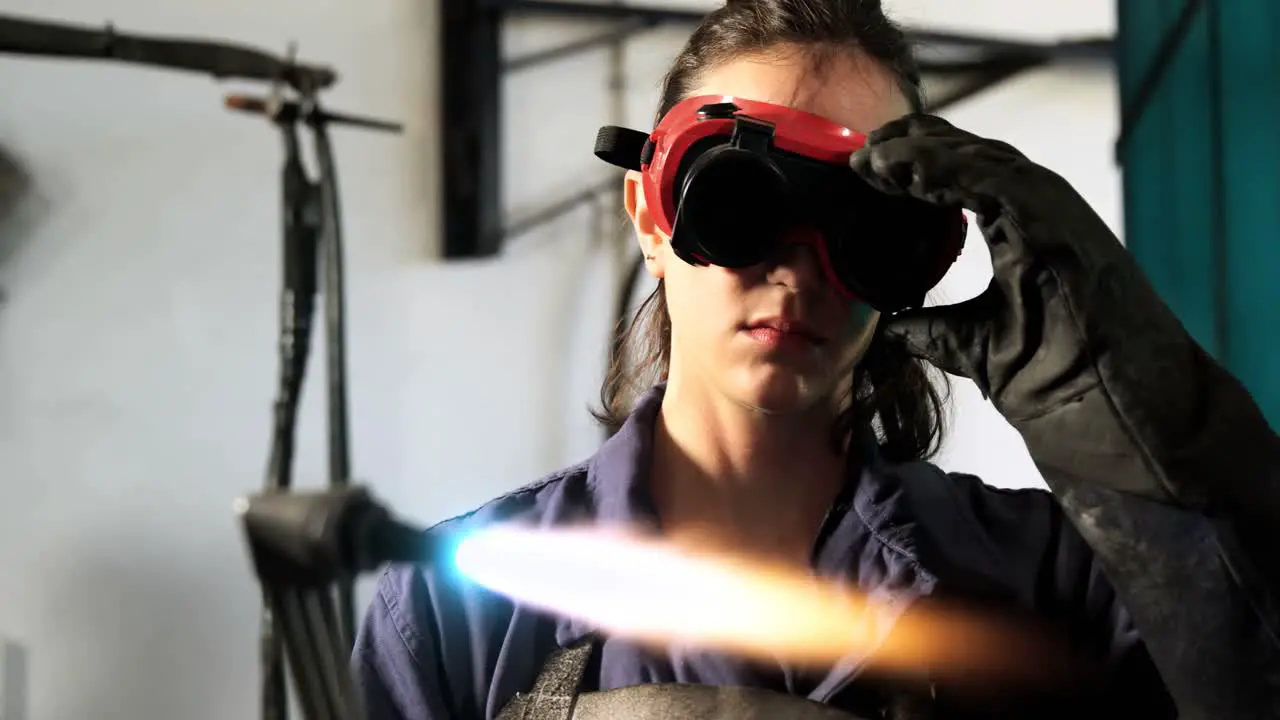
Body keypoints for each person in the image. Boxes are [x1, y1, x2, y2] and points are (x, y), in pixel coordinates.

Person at [352, 1, 1280, 718]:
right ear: (649, 212)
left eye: (861, 226)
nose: (797, 269)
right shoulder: (451, 609)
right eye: (739, 201)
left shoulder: (1056, 581)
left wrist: (1165, 458)